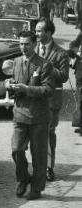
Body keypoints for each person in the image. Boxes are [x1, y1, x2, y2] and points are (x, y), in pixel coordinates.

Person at [6, 30, 54, 200]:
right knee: (16, 149)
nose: (23, 47)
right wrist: (9, 85)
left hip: (38, 117)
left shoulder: (44, 65)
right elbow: (13, 84)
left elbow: (48, 90)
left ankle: (36, 188)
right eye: (20, 44)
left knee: (39, 154)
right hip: (19, 114)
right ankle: (23, 178)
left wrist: (27, 89)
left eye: (26, 44)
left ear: (34, 44)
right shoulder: (17, 62)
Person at [34, 18, 69, 181]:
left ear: (48, 32)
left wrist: (47, 67)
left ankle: (48, 167)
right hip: (33, 99)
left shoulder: (61, 53)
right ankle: (36, 166)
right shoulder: (31, 48)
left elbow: (63, 77)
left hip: (51, 100)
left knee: (48, 133)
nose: (36, 34)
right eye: (35, 31)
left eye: (39, 31)